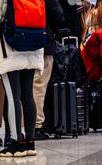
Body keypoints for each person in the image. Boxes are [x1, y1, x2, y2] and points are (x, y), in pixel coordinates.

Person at [0, 0, 45, 157]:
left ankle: (15, 142)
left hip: (10, 43)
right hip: (33, 42)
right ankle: (30, 142)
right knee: (28, 95)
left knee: (13, 96)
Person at [33, 0, 67, 141]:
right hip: (43, 41)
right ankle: (36, 126)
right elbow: (58, 16)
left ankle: (15, 130)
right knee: (39, 86)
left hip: (17, 43)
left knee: (21, 88)